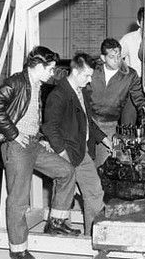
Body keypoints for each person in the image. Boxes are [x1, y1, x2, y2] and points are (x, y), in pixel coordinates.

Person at [0, 46, 79, 259]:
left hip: (33, 143)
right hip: (16, 146)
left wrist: (39, 137)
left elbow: (30, 115)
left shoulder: (37, 84)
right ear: (38, 66)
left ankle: (56, 221)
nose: (52, 73)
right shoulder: (16, 82)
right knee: (19, 199)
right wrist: (13, 133)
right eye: (50, 69)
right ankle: (18, 249)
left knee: (66, 171)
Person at [42, 53, 112, 235]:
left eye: (91, 76)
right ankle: (55, 227)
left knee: (95, 192)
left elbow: (88, 121)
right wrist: (63, 155)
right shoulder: (59, 94)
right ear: (74, 71)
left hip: (82, 152)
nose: (89, 81)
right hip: (68, 152)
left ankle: (95, 234)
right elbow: (50, 127)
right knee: (65, 195)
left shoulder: (81, 92)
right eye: (86, 75)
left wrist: (105, 140)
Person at [89, 37, 145, 167]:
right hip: (89, 122)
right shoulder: (91, 70)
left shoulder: (130, 75)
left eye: (119, 56)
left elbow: (138, 98)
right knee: (84, 163)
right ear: (103, 57)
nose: (117, 60)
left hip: (109, 125)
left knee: (102, 164)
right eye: (112, 57)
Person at [119, 7, 145, 125]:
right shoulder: (128, 39)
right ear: (138, 22)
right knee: (128, 123)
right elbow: (116, 58)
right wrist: (126, 72)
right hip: (132, 87)